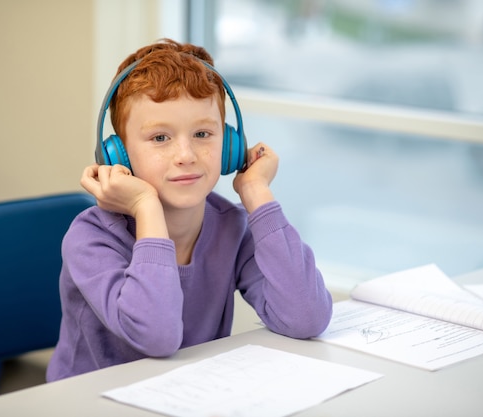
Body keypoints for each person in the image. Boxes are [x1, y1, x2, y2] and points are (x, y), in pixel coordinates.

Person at [46, 39, 332, 382]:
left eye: (202, 133)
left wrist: (255, 191)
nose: (186, 154)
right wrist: (145, 206)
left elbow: (306, 317)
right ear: (117, 154)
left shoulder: (232, 228)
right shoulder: (90, 239)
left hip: (190, 395)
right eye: (160, 138)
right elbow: (157, 337)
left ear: (229, 145)